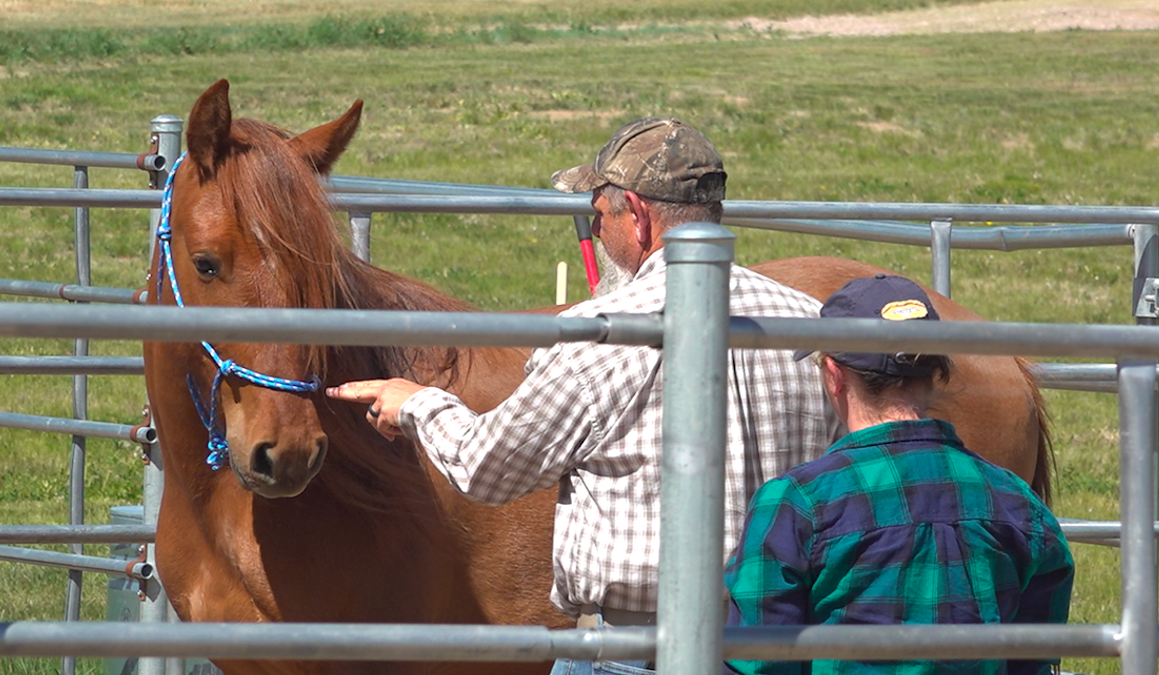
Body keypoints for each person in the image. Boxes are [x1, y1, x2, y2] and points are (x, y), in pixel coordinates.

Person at [326, 117, 842, 675]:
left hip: (637, 649)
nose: (596, 229)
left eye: (599, 211)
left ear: (638, 217)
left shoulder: (596, 334)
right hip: (775, 645)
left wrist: (418, 405)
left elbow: (488, 468)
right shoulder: (810, 324)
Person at [723, 274, 1074, 675]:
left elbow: (754, 662)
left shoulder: (797, 504)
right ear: (936, 374)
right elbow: (1031, 659)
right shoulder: (1018, 505)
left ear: (834, 375)